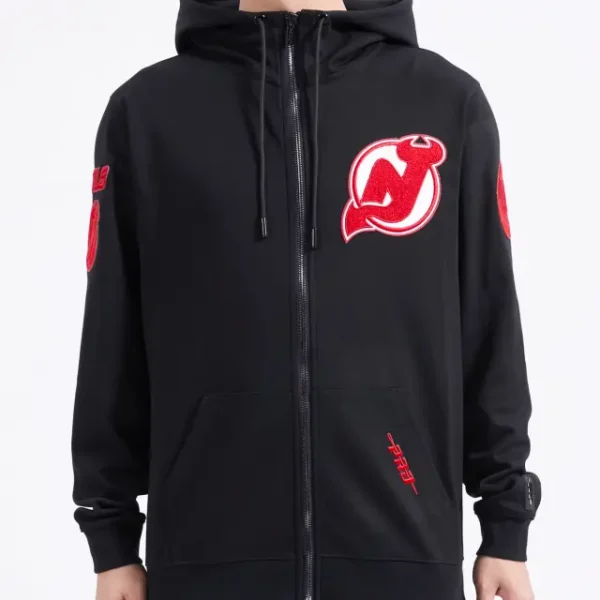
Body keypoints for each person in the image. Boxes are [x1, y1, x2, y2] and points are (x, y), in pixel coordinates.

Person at [71, 1, 542, 599]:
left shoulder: (445, 103)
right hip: (206, 552)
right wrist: (110, 537)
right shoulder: (147, 113)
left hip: (403, 544)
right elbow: (113, 329)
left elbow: (489, 317)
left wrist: (506, 523)